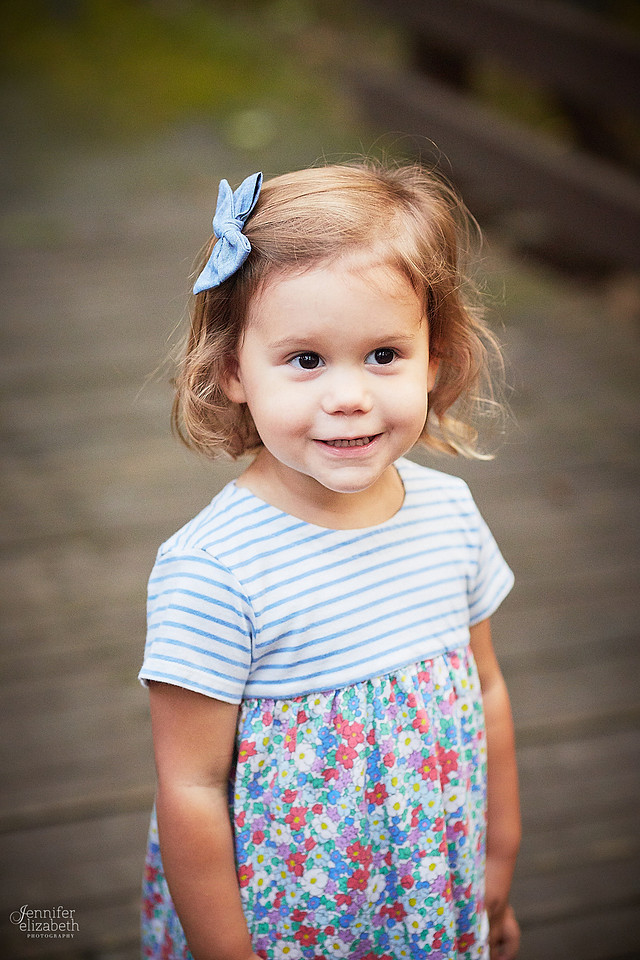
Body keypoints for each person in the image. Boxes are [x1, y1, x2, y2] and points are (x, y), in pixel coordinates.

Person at [139, 162, 521, 960]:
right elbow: (191, 786)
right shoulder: (215, 571)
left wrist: (497, 855)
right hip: (287, 927)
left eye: (384, 354)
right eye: (306, 360)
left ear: (435, 357)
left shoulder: (448, 514)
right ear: (233, 370)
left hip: (428, 894)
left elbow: (484, 689)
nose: (348, 395)